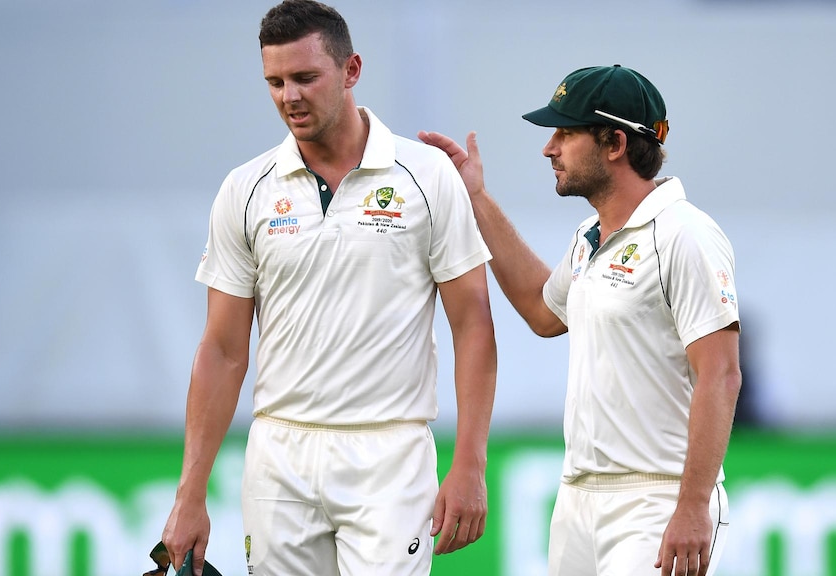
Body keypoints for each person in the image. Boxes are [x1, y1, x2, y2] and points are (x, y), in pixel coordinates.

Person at [160, 1, 498, 575]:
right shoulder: (244, 190)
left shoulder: (426, 175)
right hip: (279, 457)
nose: (289, 96)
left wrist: (470, 460)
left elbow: (473, 326)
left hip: (389, 454)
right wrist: (189, 496)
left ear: (351, 70)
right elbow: (221, 350)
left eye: (305, 78)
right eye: (275, 81)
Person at [419, 64, 742, 576]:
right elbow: (542, 312)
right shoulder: (590, 236)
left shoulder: (684, 235)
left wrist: (692, 506)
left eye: (565, 133)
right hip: (578, 500)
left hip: (656, 500)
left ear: (614, 142)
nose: (549, 148)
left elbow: (721, 374)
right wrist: (475, 199)